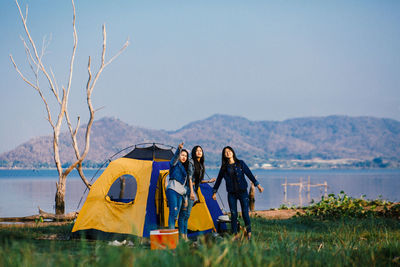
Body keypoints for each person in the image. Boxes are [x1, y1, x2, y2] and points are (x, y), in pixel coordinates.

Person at [212, 146, 264, 240]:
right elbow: (219, 180)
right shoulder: (224, 167)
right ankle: (235, 235)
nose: (228, 153)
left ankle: (249, 234)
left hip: (243, 192)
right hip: (231, 194)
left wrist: (258, 185)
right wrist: (214, 192)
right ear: (224, 155)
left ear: (232, 152)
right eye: (226, 152)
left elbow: (249, 174)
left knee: (245, 213)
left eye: (229, 151)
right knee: (233, 214)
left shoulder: (241, 163)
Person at [178, 145, 215, 240]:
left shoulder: (201, 164)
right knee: (184, 214)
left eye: (200, 151)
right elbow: (190, 178)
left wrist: (208, 181)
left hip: (193, 188)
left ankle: (184, 236)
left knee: (186, 215)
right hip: (188, 189)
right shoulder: (191, 162)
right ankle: (182, 236)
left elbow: (197, 180)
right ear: (194, 152)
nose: (199, 152)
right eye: (197, 151)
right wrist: (191, 192)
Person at [166, 142, 193, 237]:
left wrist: (185, 199)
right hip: (172, 189)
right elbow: (173, 160)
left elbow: (185, 187)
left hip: (181, 193)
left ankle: (174, 234)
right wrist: (179, 150)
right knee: (173, 213)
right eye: (182, 155)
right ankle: (171, 237)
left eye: (186, 156)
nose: (184, 157)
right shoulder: (175, 164)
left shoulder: (186, 171)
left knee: (176, 214)